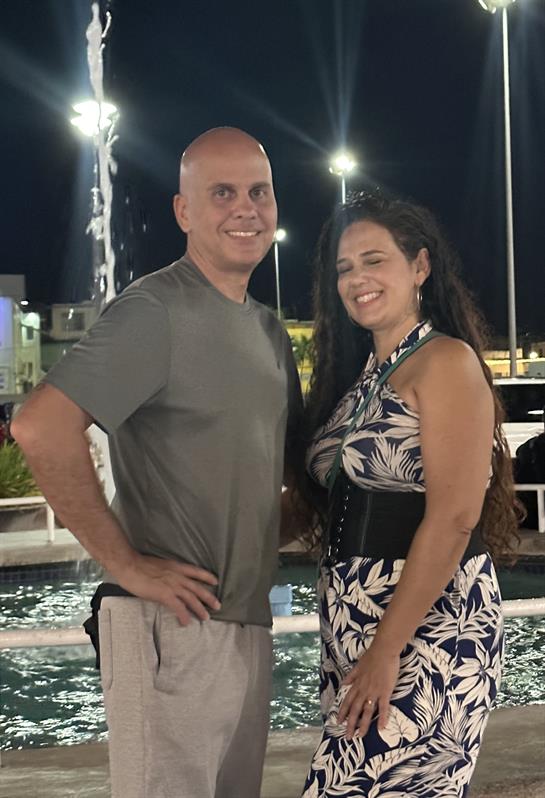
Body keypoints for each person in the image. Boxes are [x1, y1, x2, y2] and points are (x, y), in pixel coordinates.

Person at [11, 127, 302, 798]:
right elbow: (39, 427)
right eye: (221, 193)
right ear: (183, 212)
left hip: (245, 622)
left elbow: (267, 479)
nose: (245, 209)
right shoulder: (156, 310)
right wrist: (125, 565)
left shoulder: (266, 331)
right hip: (171, 628)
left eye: (259, 192)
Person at [295, 193, 520, 797]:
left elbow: (453, 517)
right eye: (344, 268)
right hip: (357, 623)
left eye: (375, 260)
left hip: (428, 626)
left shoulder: (445, 362)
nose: (358, 279)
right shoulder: (361, 378)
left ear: (420, 267)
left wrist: (385, 651)